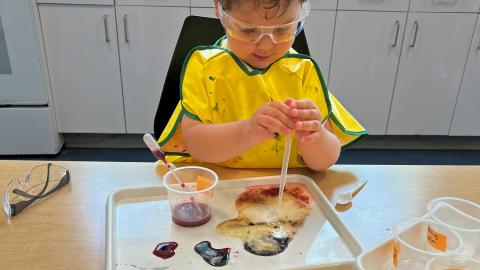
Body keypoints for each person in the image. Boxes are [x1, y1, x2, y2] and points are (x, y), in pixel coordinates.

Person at [158, 0, 367, 171]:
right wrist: (246, 132)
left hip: (286, 194)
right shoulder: (205, 68)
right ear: (219, 9)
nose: (266, 45)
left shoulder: (302, 73)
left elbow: (325, 162)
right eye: (248, 30)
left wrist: (314, 136)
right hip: (218, 188)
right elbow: (196, 145)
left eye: (283, 29)